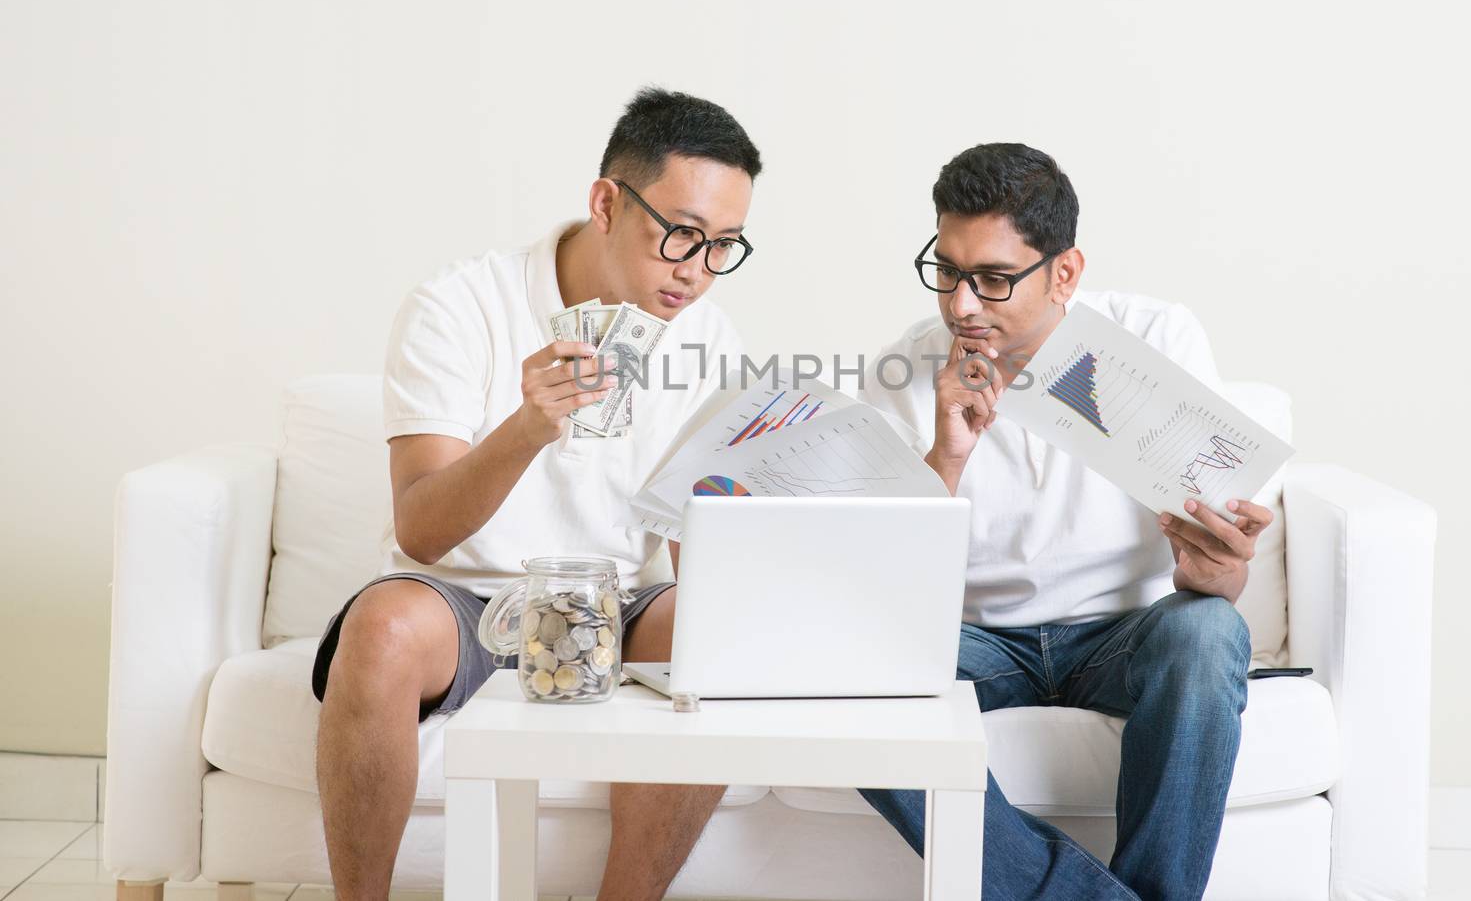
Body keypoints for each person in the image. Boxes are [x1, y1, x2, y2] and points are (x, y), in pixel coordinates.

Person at [311, 87, 760, 901]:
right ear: (606, 203)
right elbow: (420, 530)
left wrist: (742, 532)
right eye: (682, 236)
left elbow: (702, 554)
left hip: (613, 605)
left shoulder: (708, 338)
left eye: (723, 245)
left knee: (716, 632)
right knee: (378, 633)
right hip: (463, 602)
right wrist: (526, 427)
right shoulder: (459, 306)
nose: (696, 273)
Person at [857, 143, 1274, 901]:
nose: (961, 306)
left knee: (1209, 630)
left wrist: (1216, 572)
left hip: (1122, 632)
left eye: (991, 279)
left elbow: (1218, 572)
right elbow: (884, 597)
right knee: (848, 672)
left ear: (1066, 273)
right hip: (979, 643)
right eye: (946, 271)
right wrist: (946, 456)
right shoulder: (907, 369)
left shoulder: (1158, 339)